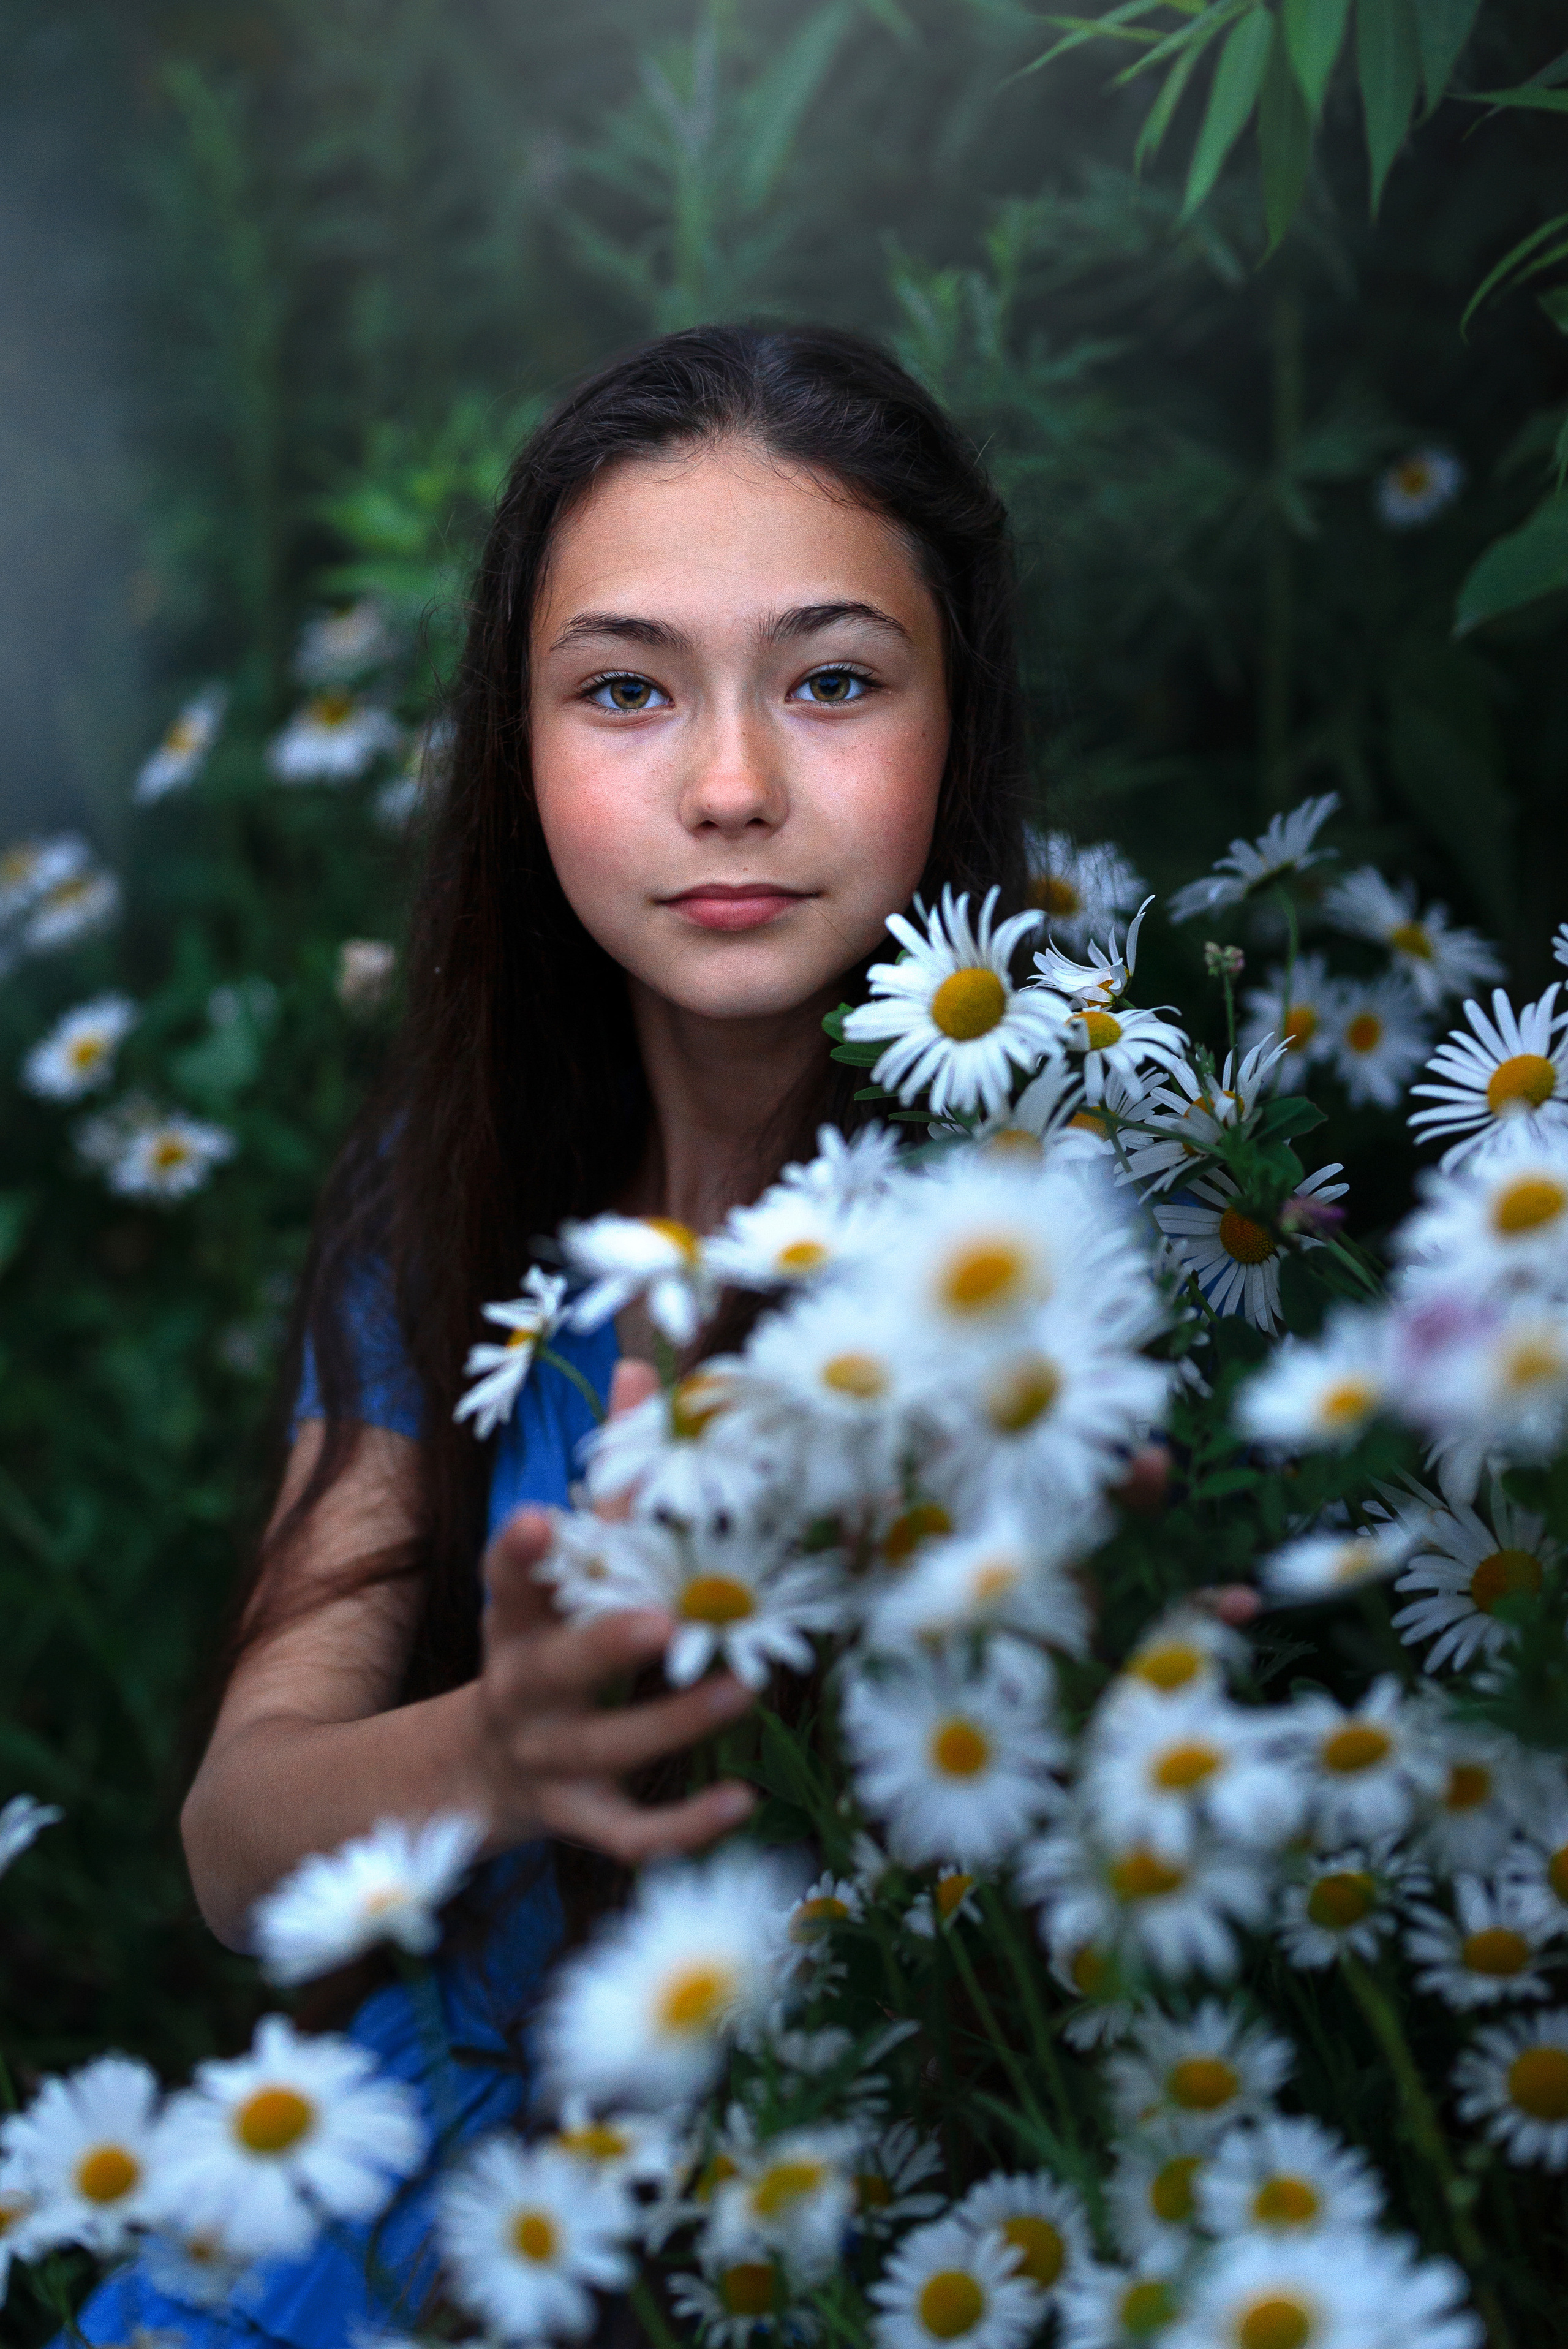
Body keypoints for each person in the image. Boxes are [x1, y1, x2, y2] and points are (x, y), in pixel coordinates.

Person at [72, 322, 1029, 2347]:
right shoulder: (455, 1194)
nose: (733, 786)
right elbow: (240, 1844)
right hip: (417, 2205)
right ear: (515, 748)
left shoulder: (1038, 1223)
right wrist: (495, 1749)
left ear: (960, 721)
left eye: (834, 680)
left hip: (832, 2235)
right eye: (624, 689)